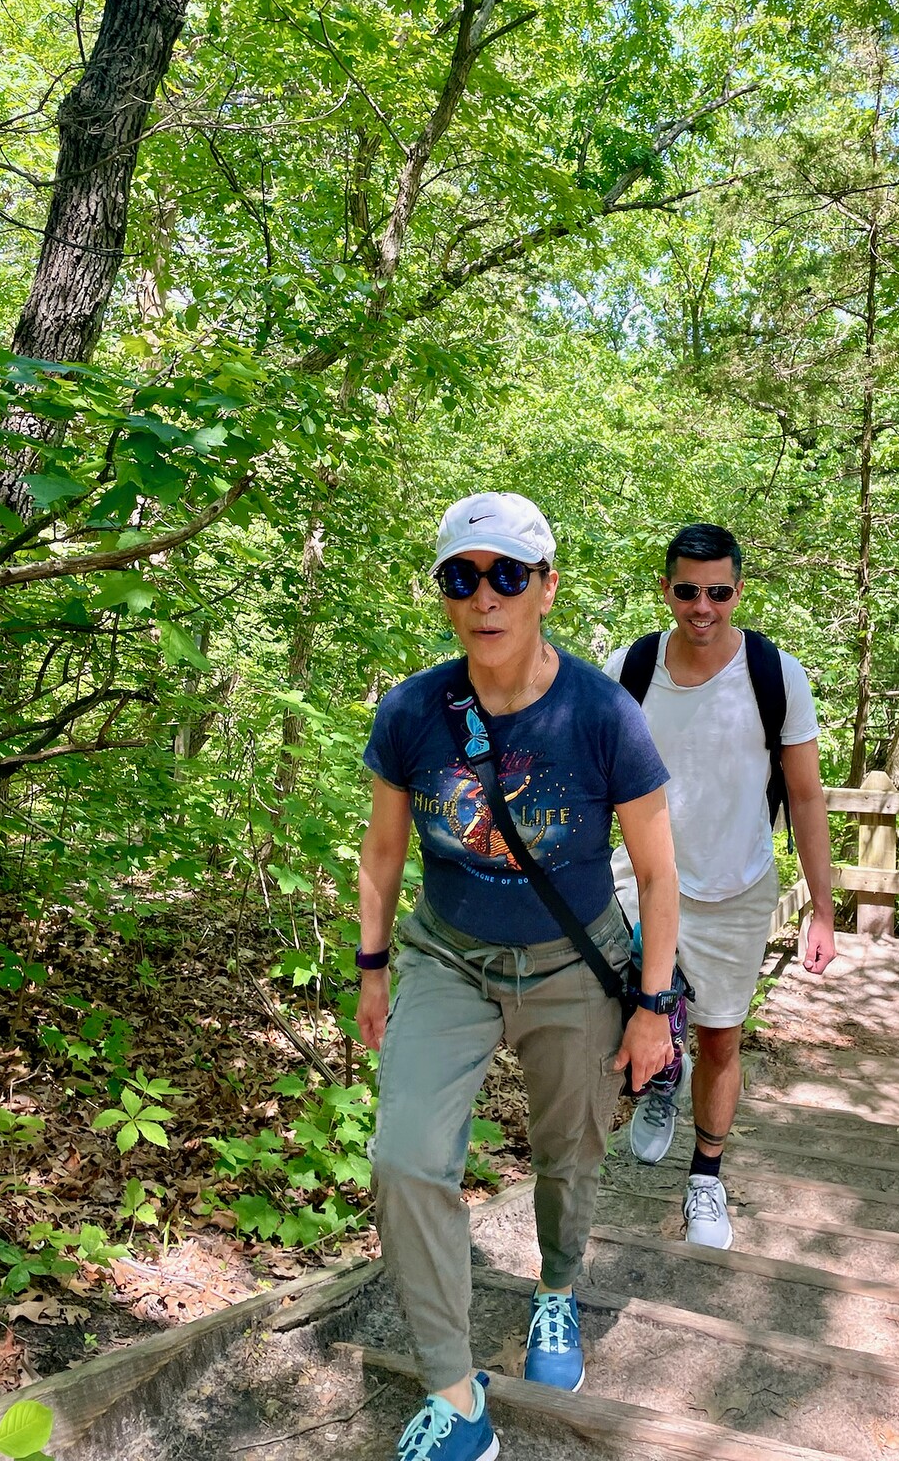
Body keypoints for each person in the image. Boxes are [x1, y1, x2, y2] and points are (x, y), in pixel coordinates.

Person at [357, 491, 678, 1461]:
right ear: (446, 595)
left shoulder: (600, 712)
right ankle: (457, 1401)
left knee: (568, 1150)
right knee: (405, 1157)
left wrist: (654, 1005)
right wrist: (373, 969)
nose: (484, 595)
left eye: (506, 574)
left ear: (545, 586)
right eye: (463, 576)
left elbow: (661, 874)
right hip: (448, 955)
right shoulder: (414, 712)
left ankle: (556, 1289)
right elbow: (380, 855)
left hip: (570, 962)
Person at [605, 523, 836, 1250]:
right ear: (666, 588)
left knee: (723, 1040)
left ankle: (706, 1177)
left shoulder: (775, 673)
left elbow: (804, 796)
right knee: (637, 1003)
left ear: (738, 591)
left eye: (718, 592)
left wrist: (823, 909)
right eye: (687, 590)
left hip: (738, 889)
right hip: (641, 882)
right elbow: (589, 781)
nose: (702, 606)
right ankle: (659, 1068)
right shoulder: (631, 667)